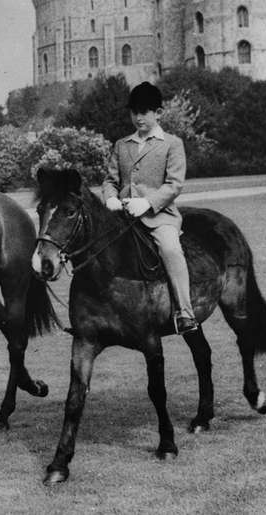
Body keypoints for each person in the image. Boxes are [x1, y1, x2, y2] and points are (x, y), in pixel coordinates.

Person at [101, 81, 198, 334]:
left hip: (159, 216)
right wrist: (110, 197)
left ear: (157, 113)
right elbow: (110, 180)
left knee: (171, 249)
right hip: (122, 216)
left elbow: (174, 184)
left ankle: (185, 313)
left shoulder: (171, 143)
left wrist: (147, 202)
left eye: (144, 112)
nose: (138, 118)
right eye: (134, 112)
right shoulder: (122, 144)